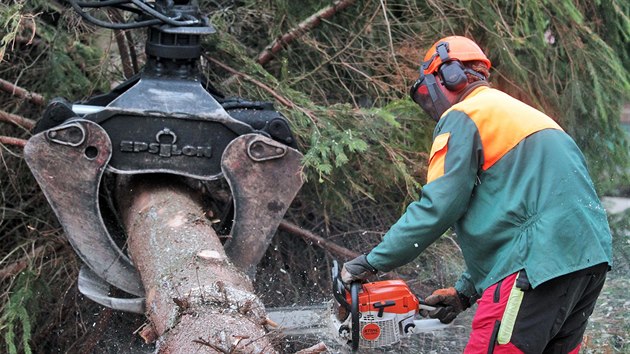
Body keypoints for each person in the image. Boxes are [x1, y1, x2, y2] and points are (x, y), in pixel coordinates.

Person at [341, 36, 612, 353]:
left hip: (534, 268)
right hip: (587, 263)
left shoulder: (465, 115)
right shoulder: (528, 117)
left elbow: (439, 206)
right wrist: (464, 292)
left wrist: (370, 263)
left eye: (429, 91)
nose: (432, 104)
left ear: (448, 76)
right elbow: (521, 218)